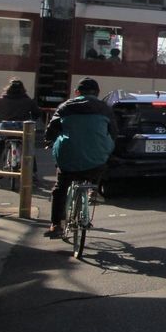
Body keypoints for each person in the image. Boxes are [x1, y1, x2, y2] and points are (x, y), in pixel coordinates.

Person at [43, 78, 116, 239]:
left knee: (60, 188)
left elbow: (51, 131)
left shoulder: (65, 107)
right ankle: (93, 189)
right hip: (96, 161)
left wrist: (49, 141)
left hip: (68, 159)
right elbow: (113, 133)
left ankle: (56, 225)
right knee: (101, 163)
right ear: (97, 94)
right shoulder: (105, 109)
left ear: (76, 92)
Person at [0, 78, 43, 187]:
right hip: (22, 130)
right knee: (28, 150)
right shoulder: (27, 100)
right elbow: (37, 113)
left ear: (8, 88)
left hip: (5, 130)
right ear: (22, 89)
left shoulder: (1, 100)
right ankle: (32, 174)